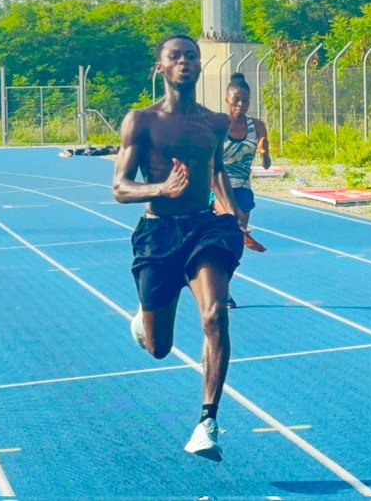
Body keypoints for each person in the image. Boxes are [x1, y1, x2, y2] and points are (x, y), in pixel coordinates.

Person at [112, 34, 249, 462]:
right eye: (176, 56)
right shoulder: (141, 120)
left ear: (199, 65)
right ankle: (144, 319)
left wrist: (234, 219)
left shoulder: (214, 123)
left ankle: (206, 423)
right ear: (161, 67)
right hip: (158, 232)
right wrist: (161, 188)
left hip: (205, 228)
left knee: (214, 314)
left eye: (192, 56)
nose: (185, 62)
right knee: (159, 347)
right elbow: (119, 188)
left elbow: (218, 172)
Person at [212, 72, 271, 308]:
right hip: (217, 185)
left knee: (233, 246)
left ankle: (224, 289)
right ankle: (217, 288)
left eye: (245, 101)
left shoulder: (256, 126)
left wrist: (265, 152)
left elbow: (266, 164)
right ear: (227, 99)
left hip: (243, 188)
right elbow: (210, 163)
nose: (240, 105)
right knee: (230, 226)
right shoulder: (217, 126)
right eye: (236, 100)